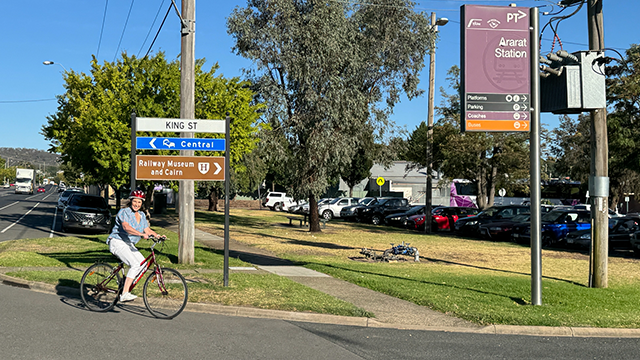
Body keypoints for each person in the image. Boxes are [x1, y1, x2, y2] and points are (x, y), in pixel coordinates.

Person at [106, 190, 160, 302]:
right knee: (135, 264)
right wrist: (141, 234)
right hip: (117, 242)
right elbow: (126, 228)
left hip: (128, 244)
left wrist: (157, 235)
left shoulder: (141, 215)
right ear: (130, 201)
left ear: (142, 203)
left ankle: (125, 283)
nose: (136, 204)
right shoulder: (124, 212)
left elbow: (147, 229)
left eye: (139, 202)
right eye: (134, 201)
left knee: (143, 264)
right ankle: (125, 293)